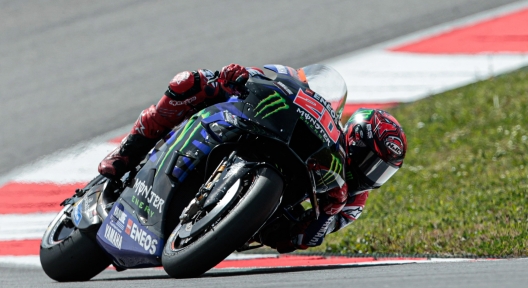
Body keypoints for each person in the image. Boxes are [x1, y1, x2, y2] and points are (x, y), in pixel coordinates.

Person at [98, 63, 407, 253]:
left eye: (381, 172)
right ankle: (128, 150)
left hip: (271, 220)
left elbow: (309, 239)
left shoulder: (356, 202)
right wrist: (244, 75)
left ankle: (220, 220)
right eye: (370, 162)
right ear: (354, 139)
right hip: (268, 137)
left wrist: (325, 215)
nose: (370, 175)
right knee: (191, 82)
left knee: (287, 237)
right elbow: (285, 77)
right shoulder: (331, 133)